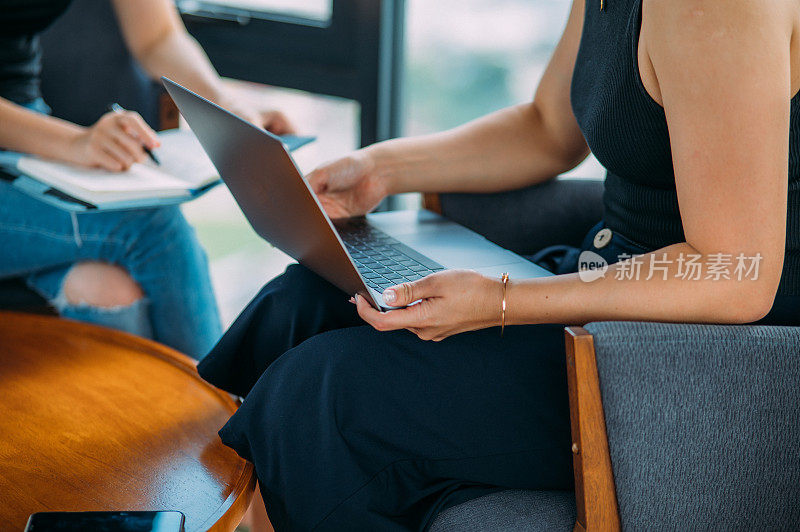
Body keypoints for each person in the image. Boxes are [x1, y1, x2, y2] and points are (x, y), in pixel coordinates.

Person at [196, 0, 800, 529]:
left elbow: (736, 273)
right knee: (305, 298)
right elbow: (547, 129)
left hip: (699, 350)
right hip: (604, 279)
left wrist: (501, 301)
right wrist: (383, 169)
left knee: (322, 398)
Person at [0, 0, 294, 358]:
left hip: (26, 131)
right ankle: (226, 408)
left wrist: (225, 106)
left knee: (110, 290)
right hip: (29, 138)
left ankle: (177, 412)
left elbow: (158, 36)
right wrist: (74, 142)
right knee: (152, 222)